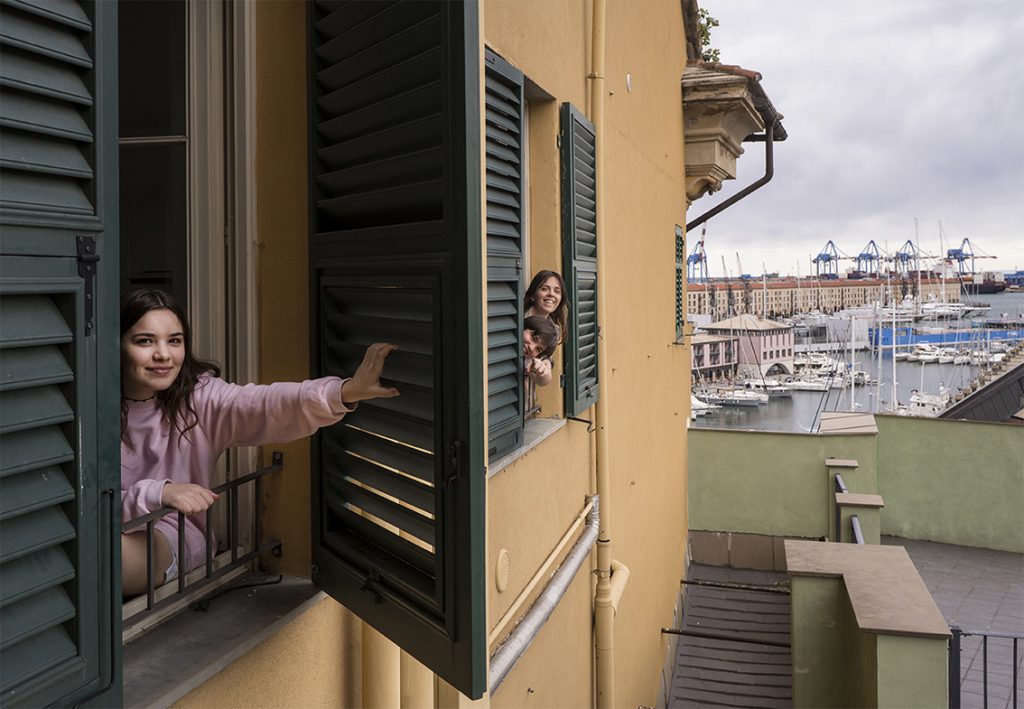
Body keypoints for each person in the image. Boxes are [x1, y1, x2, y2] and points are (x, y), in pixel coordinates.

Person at [119, 288, 399, 595]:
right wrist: (157, 492)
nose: (163, 354)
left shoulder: (198, 399)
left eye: (175, 340)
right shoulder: (84, 409)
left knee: (105, 558)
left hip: (170, 532)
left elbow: (263, 403)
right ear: (117, 345)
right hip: (105, 527)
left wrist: (344, 392)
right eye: (145, 340)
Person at [524, 270, 568, 344]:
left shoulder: (554, 331)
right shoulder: (519, 320)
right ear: (532, 296)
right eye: (545, 289)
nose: (551, 294)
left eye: (557, 291)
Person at [523, 315, 558, 386]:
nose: (531, 347)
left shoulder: (526, 360)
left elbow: (542, 381)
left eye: (538, 349)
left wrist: (543, 373)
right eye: (533, 338)